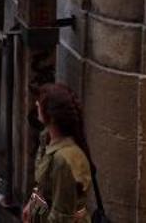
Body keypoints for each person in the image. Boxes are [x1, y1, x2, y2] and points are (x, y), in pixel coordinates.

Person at [23, 83, 98, 223]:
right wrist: (32, 204)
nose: (36, 104)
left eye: (40, 104)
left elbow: (62, 217)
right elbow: (45, 184)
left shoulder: (63, 160)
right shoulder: (47, 138)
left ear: (51, 117)